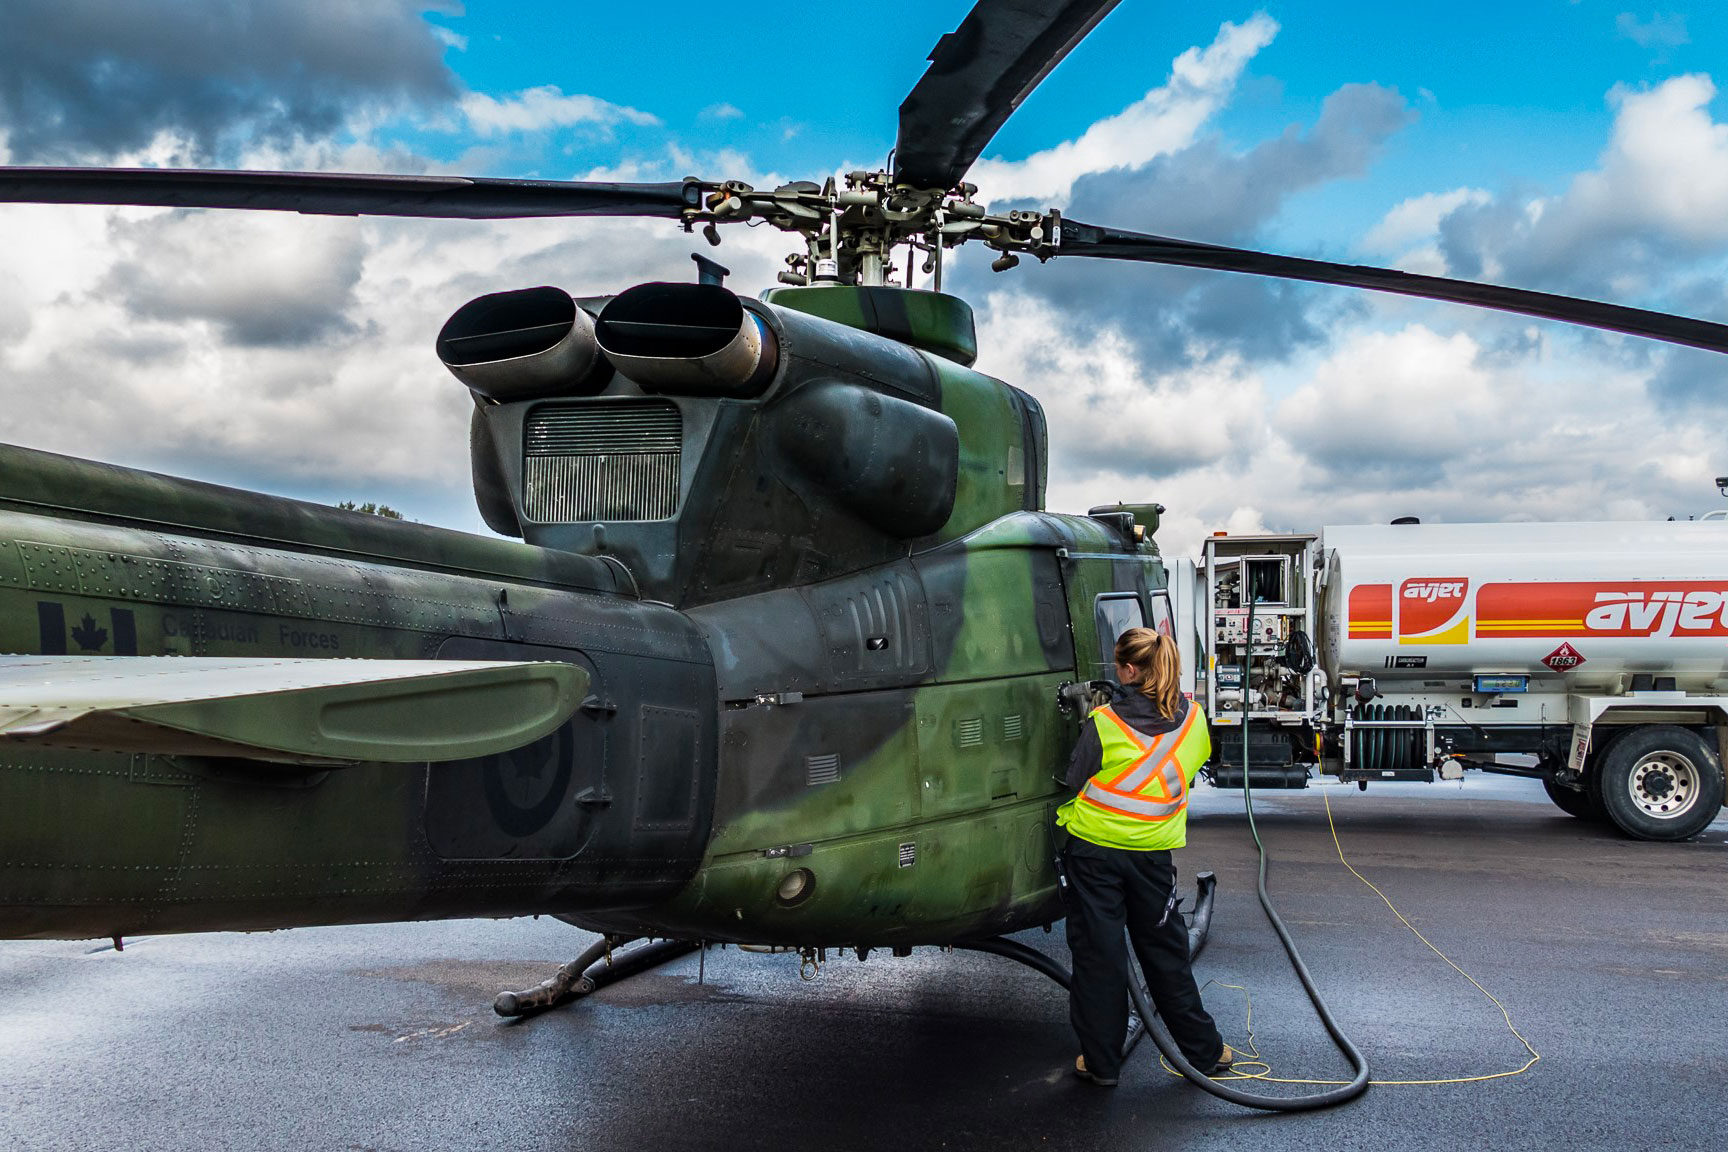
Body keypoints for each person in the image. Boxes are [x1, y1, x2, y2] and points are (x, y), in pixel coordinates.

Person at [1056, 626, 1233, 1087]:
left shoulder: (1103, 724)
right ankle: (1204, 1051)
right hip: (1154, 859)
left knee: (1100, 960)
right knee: (1167, 955)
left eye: (1118, 667)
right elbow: (1188, 768)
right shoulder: (1195, 721)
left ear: (1130, 671)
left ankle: (1101, 1063)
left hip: (1094, 857)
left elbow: (1074, 778)